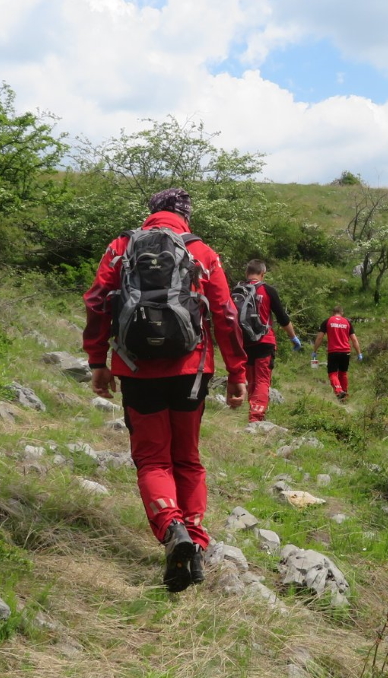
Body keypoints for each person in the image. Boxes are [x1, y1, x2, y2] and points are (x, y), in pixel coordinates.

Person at [82, 187, 248, 593]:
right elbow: (225, 314)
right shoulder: (202, 252)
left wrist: (97, 361)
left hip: (136, 368)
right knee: (187, 459)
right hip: (191, 370)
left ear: (151, 212)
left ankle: (171, 526)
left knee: (153, 460)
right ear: (186, 216)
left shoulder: (121, 246)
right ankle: (194, 534)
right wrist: (238, 372)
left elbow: (97, 300)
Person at [238, 259, 302, 423]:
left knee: (251, 379)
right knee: (262, 380)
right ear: (263, 273)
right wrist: (293, 337)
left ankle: (253, 413)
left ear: (247, 273)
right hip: (264, 341)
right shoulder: (267, 290)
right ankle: (256, 417)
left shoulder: (238, 290)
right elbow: (282, 317)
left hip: (244, 342)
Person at [313, 305, 362, 400]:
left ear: (333, 312)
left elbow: (319, 337)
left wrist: (315, 351)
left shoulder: (327, 321)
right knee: (343, 373)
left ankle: (339, 391)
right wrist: (359, 353)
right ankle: (345, 393)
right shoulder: (347, 322)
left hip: (333, 351)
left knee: (332, 373)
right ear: (342, 313)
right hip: (346, 352)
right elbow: (354, 340)